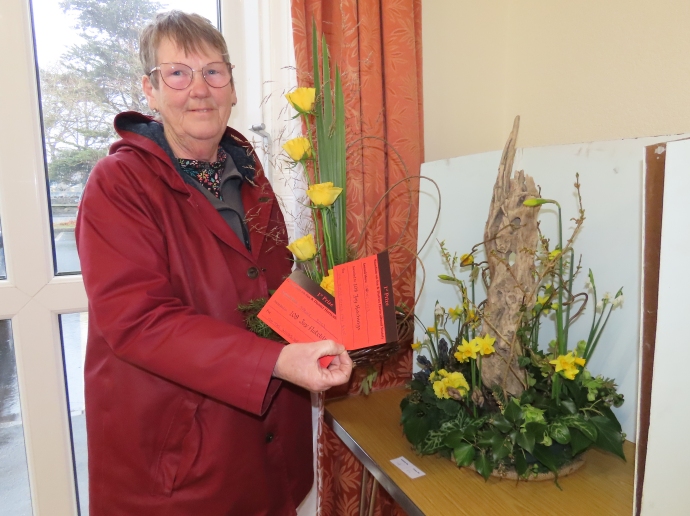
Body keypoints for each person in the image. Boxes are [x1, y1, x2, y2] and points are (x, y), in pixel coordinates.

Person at [75, 11, 353, 516]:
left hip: (265, 449)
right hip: (180, 464)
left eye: (213, 71)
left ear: (232, 87)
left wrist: (340, 319)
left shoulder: (247, 172)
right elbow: (139, 322)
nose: (199, 89)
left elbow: (265, 292)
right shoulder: (117, 185)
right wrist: (275, 362)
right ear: (151, 90)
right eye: (178, 73)